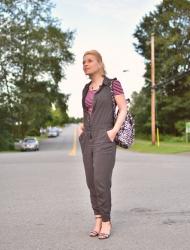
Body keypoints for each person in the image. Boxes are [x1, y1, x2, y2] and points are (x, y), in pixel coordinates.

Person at [78, 50, 127, 239]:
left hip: (105, 137)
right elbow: (88, 112)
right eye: (83, 62)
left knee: (101, 180)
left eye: (89, 61)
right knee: (91, 181)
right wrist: (82, 129)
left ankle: (106, 220)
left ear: (99, 63)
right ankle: (97, 217)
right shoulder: (86, 88)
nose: (85, 64)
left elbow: (123, 108)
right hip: (87, 138)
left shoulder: (112, 84)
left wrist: (113, 131)